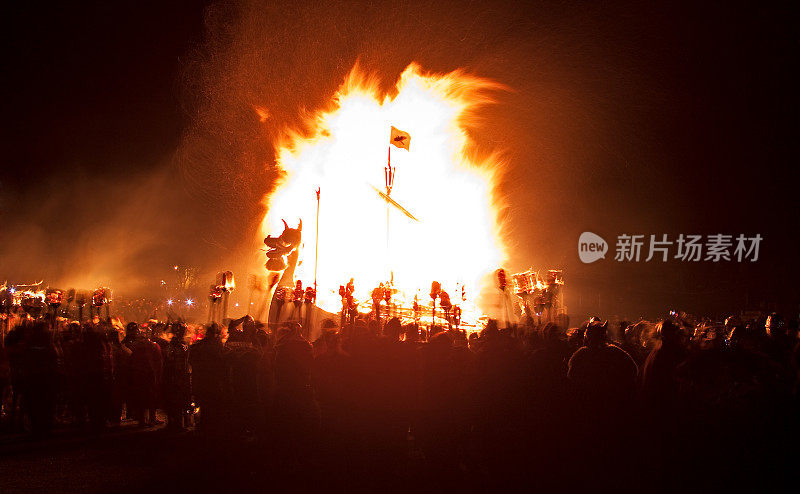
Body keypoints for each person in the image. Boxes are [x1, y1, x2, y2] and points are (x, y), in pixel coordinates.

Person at [189, 323, 228, 434]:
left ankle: (202, 426)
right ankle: (210, 428)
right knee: (211, 406)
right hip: (212, 381)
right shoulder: (217, 346)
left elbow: (191, 360)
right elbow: (222, 364)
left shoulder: (198, 345)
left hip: (201, 380)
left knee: (203, 405)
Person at [162, 323, 191, 431]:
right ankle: (175, 423)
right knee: (175, 401)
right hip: (176, 376)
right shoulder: (178, 345)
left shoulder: (179, 345)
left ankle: (176, 423)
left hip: (177, 376)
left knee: (177, 401)